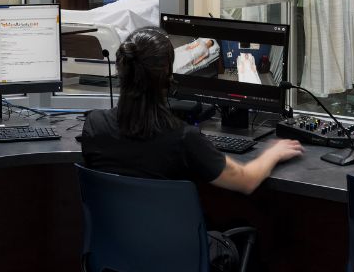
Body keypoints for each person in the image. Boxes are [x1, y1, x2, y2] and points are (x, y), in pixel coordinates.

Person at [79, 27, 306, 270]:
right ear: (168, 77)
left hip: (116, 253)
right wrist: (272, 152)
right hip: (176, 258)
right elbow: (247, 180)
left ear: (121, 72)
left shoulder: (94, 126)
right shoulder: (181, 137)